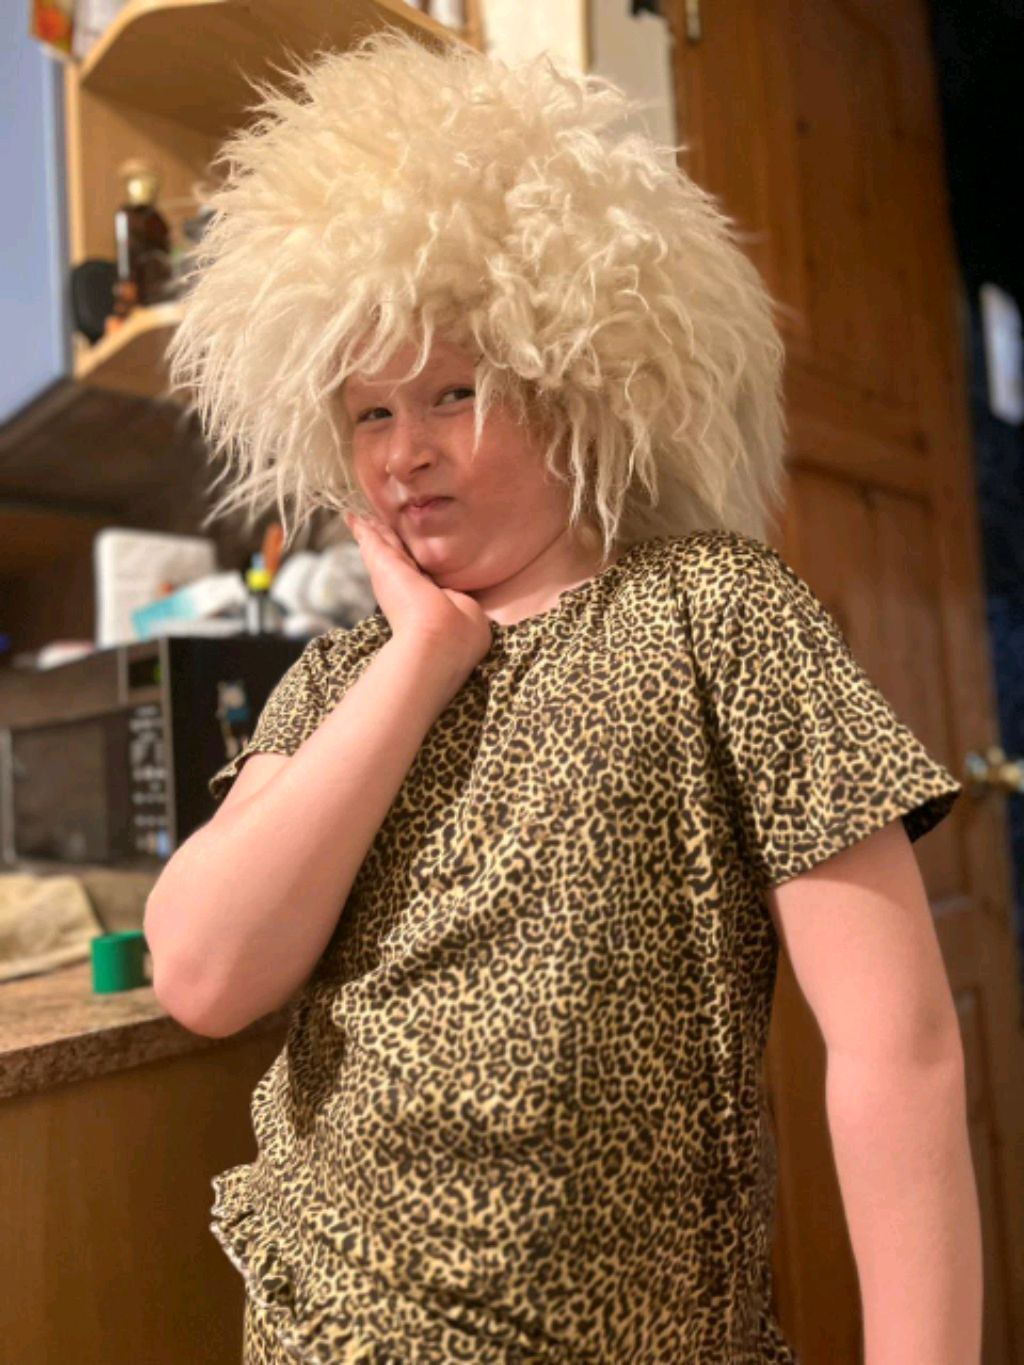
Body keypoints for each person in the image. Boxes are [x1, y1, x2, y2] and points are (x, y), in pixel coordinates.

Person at [145, 26, 979, 1365]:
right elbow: (202, 971)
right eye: (369, 414)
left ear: (575, 387)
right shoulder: (343, 678)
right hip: (322, 1330)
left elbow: (903, 1047)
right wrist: (422, 656)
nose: (405, 454)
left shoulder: (713, 612)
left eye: (452, 393)